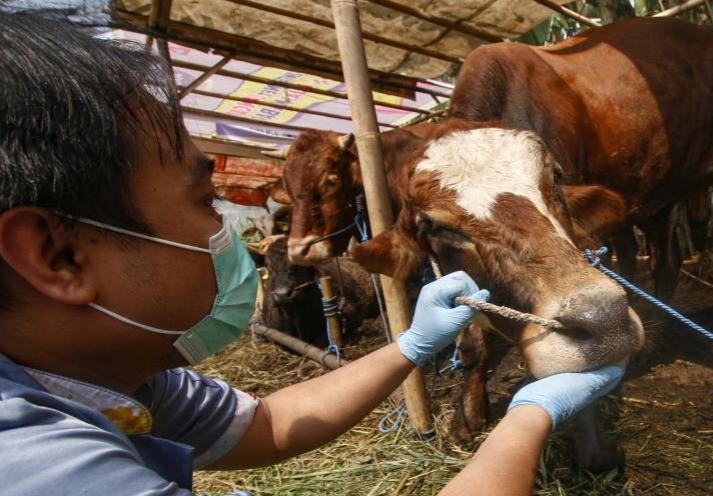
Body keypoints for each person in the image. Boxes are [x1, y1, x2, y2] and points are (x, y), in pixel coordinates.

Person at [0, 11, 623, 496]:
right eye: (206, 202)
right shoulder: (35, 468)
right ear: (58, 257)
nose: (225, 234)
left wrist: (409, 346)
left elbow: (265, 425)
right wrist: (528, 419)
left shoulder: (109, 383)